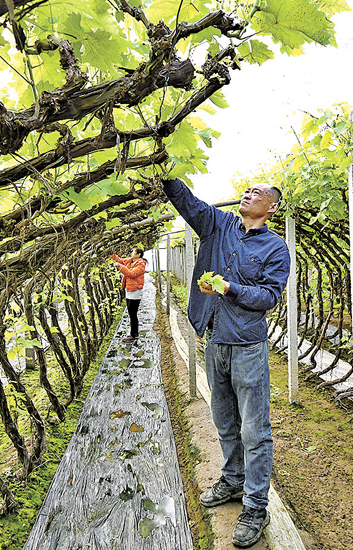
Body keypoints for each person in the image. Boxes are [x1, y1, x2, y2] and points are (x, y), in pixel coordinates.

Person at [162, 178, 290, 548]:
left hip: (248, 344)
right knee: (224, 420)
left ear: (271, 208)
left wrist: (229, 288)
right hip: (215, 339)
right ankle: (233, 480)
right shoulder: (217, 225)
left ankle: (255, 506)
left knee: (254, 429)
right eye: (247, 190)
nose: (248, 195)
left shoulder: (275, 248)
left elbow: (268, 297)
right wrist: (166, 172)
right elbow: (190, 203)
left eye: (258, 193)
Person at [111, 248, 147, 342]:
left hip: (135, 291)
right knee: (131, 312)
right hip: (129, 290)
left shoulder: (141, 264)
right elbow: (120, 260)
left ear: (138, 254)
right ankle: (134, 333)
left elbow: (132, 274)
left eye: (133, 252)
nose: (131, 253)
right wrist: (112, 254)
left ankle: (133, 334)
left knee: (133, 313)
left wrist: (120, 266)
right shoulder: (130, 261)